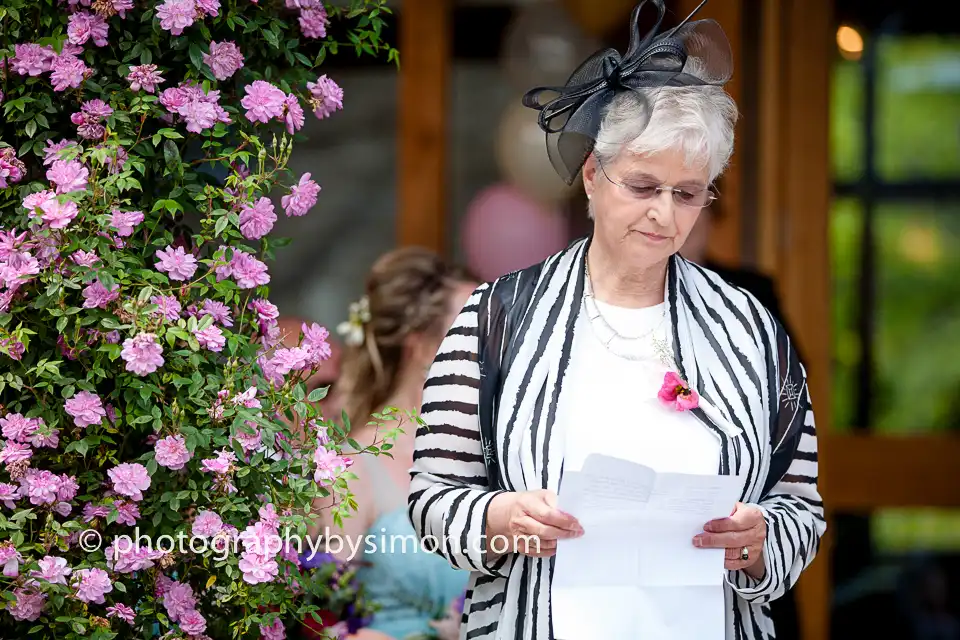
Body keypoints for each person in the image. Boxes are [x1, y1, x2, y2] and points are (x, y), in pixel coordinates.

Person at [406, 2, 826, 639]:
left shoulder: (749, 326)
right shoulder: (495, 317)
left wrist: (762, 539)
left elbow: (802, 506)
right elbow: (432, 497)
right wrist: (499, 518)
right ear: (593, 175)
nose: (663, 213)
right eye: (642, 185)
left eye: (687, 193)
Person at [308, 247, 479, 640]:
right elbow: (322, 620)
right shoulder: (351, 469)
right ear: (421, 347)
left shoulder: (492, 457)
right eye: (473, 331)